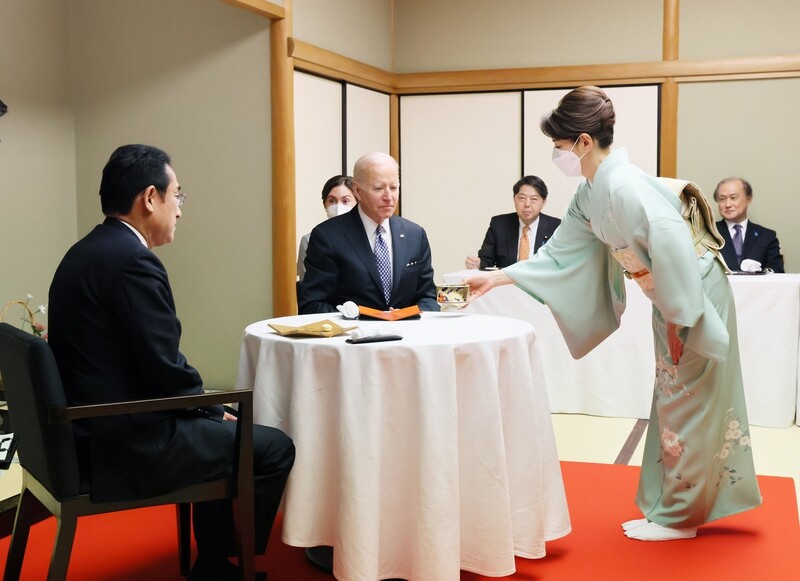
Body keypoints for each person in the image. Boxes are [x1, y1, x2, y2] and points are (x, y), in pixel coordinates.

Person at [465, 87, 761, 541]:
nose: (557, 155)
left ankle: (681, 519)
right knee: (671, 397)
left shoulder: (623, 187)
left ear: (583, 142)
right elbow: (559, 253)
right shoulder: (592, 192)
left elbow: (672, 244)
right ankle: (668, 507)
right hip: (669, 293)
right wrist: (499, 277)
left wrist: (682, 319)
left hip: (693, 293)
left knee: (689, 401)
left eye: (560, 146)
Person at [48, 144, 295, 580]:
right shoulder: (133, 262)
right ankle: (230, 562)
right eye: (177, 195)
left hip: (90, 427)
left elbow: (150, 362)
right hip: (125, 440)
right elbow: (163, 370)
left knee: (220, 428)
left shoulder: (85, 250)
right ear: (149, 198)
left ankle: (214, 562)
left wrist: (205, 406)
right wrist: (212, 407)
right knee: (272, 446)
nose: (179, 210)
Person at [298, 151, 439, 314]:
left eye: (394, 188)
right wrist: (366, 317)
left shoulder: (414, 234)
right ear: (358, 191)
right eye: (379, 188)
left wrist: (404, 315)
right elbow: (312, 305)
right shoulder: (327, 237)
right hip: (351, 335)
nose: (389, 197)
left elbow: (428, 298)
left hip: (406, 334)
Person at [464, 175, 561, 269]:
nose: (527, 204)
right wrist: (478, 263)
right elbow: (486, 259)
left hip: (540, 283)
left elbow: (560, 262)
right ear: (514, 199)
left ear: (543, 202)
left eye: (534, 199)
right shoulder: (499, 225)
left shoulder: (555, 227)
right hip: (506, 283)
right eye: (522, 198)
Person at [714, 177, 784, 272]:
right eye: (722, 199)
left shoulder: (767, 237)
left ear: (748, 199)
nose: (728, 204)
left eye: (733, 198)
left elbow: (777, 272)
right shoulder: (708, 233)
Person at [297, 175, 356, 281]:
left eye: (345, 201)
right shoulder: (309, 240)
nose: (338, 206)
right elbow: (307, 285)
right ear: (325, 204)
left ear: (357, 203)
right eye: (332, 201)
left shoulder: (367, 236)